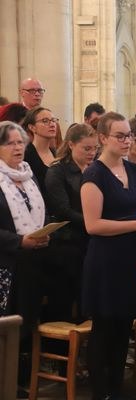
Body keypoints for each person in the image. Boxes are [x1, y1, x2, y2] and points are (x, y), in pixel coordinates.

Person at [80, 112, 136, 400]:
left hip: (133, 255)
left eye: (130, 136)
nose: (128, 141)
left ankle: (116, 387)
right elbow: (93, 225)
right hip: (106, 259)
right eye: (121, 136)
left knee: (124, 325)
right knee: (104, 327)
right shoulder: (94, 174)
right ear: (103, 138)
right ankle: (100, 392)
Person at [0, 121, 50, 397]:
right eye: (10, 143)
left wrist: (44, 233)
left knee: (25, 325)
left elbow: (39, 214)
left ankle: (18, 381)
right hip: (5, 265)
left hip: (31, 263)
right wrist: (20, 241)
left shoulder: (28, 176)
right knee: (6, 327)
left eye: (20, 142)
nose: (17, 147)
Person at [44, 123, 97, 323]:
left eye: (95, 148)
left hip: (91, 239)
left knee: (89, 295)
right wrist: (94, 222)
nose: (92, 153)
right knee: (64, 299)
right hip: (66, 242)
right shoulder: (57, 171)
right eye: (87, 148)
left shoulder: (95, 169)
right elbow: (62, 210)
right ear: (71, 145)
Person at [21, 107, 58, 200]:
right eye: (45, 121)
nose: (52, 124)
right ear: (32, 127)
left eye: (53, 120)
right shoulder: (26, 155)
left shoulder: (57, 153)